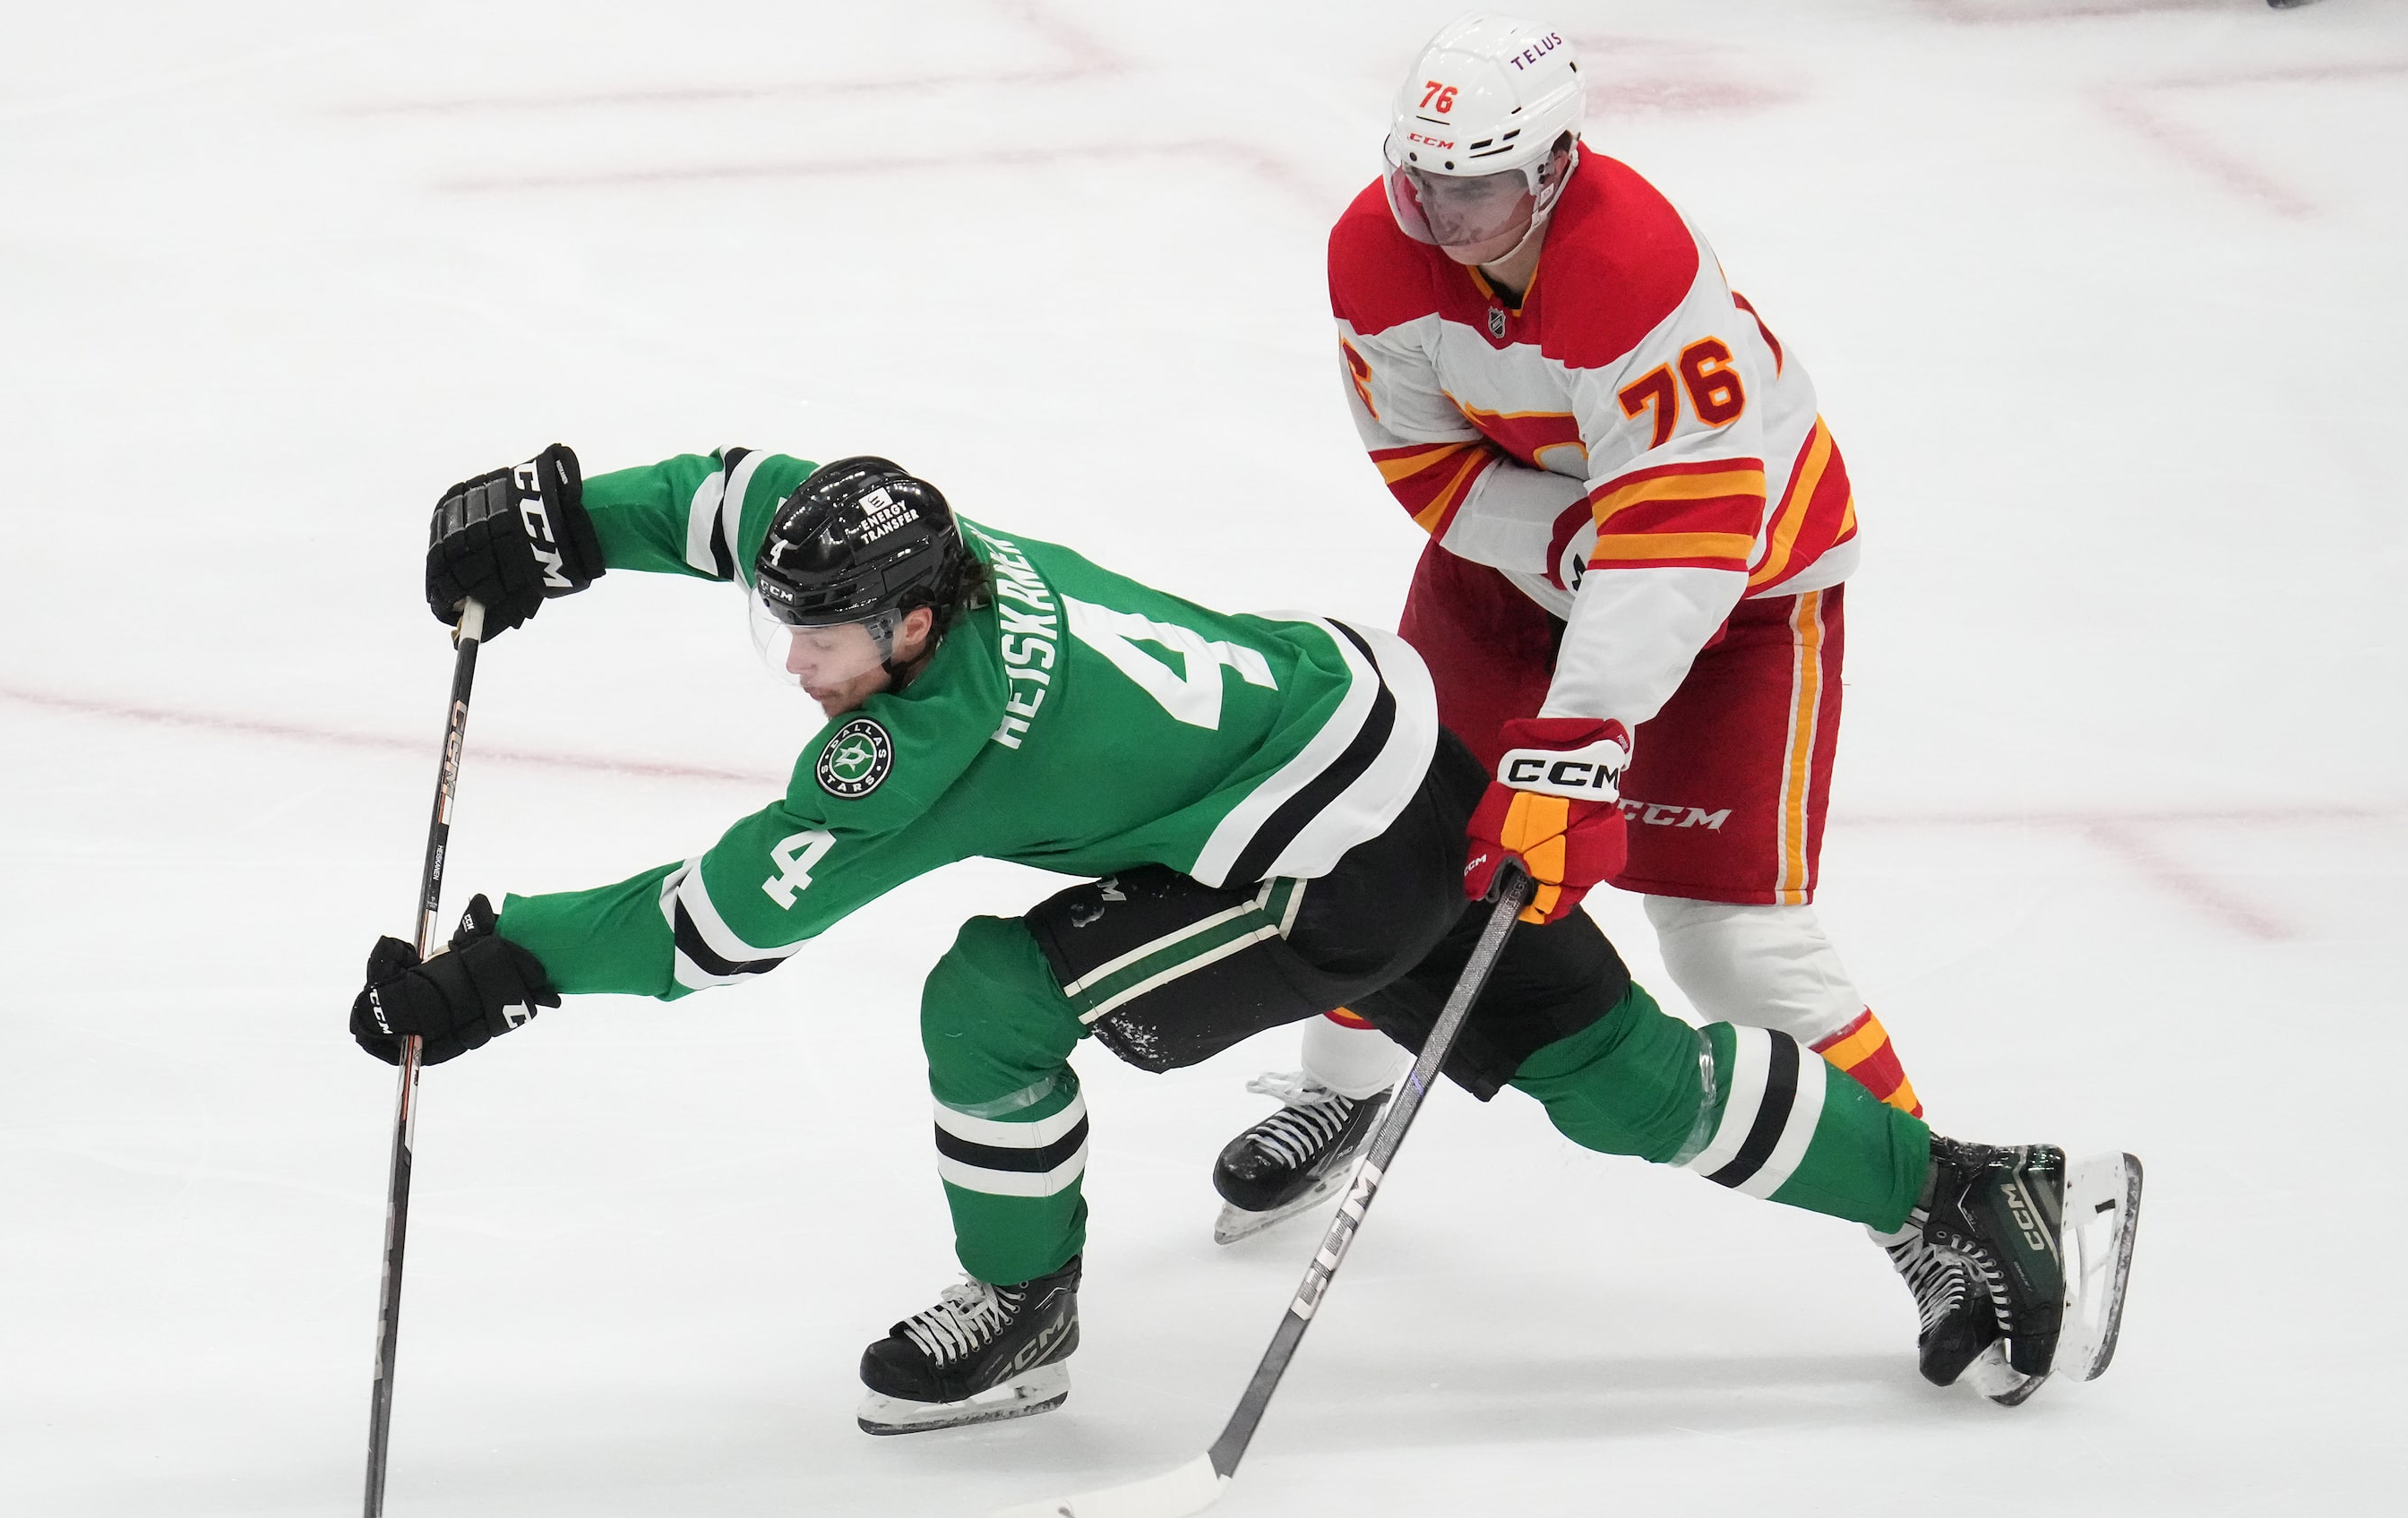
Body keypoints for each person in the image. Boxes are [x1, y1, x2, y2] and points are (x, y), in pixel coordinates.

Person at [349, 442, 2138, 1432]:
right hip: (1398, 747)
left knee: (989, 998)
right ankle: (1964, 1188)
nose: (794, 660)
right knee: (1609, 1073)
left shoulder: (916, 750)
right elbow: (741, 490)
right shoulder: (924, 537)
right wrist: (573, 524)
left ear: (908, 627)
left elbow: (713, 930)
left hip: (1323, 878)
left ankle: (1022, 1307)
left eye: (816, 639)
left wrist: (496, 968)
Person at [1212, 13, 1991, 1378]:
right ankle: (1338, 1091)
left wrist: (1573, 744)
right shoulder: (1371, 250)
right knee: (1389, 841)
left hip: (1741, 588)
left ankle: (1938, 1208)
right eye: (1418, 178)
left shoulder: (1632, 264)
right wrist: (1562, 543)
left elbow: (1689, 529)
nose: (1439, 213)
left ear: (1557, 164)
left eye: (1475, 185)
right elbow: (1427, 470)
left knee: (1731, 951)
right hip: (1511, 573)